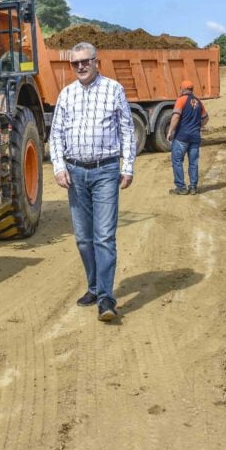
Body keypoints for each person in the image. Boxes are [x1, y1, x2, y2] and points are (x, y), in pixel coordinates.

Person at [49, 42, 136, 322]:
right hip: (75, 174)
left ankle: (106, 298)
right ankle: (94, 286)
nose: (81, 66)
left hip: (105, 171)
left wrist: (128, 166)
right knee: (84, 239)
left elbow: (126, 129)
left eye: (86, 61)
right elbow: (56, 134)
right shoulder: (66, 94)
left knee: (104, 237)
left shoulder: (114, 90)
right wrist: (59, 167)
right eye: (75, 63)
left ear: (96, 62)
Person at [166, 80, 209, 195]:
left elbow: (175, 117)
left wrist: (170, 131)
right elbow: (205, 118)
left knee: (177, 161)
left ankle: (181, 188)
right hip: (195, 137)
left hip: (182, 137)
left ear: (183, 89)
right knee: (193, 163)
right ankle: (193, 187)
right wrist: (198, 125)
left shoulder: (181, 100)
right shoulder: (199, 102)